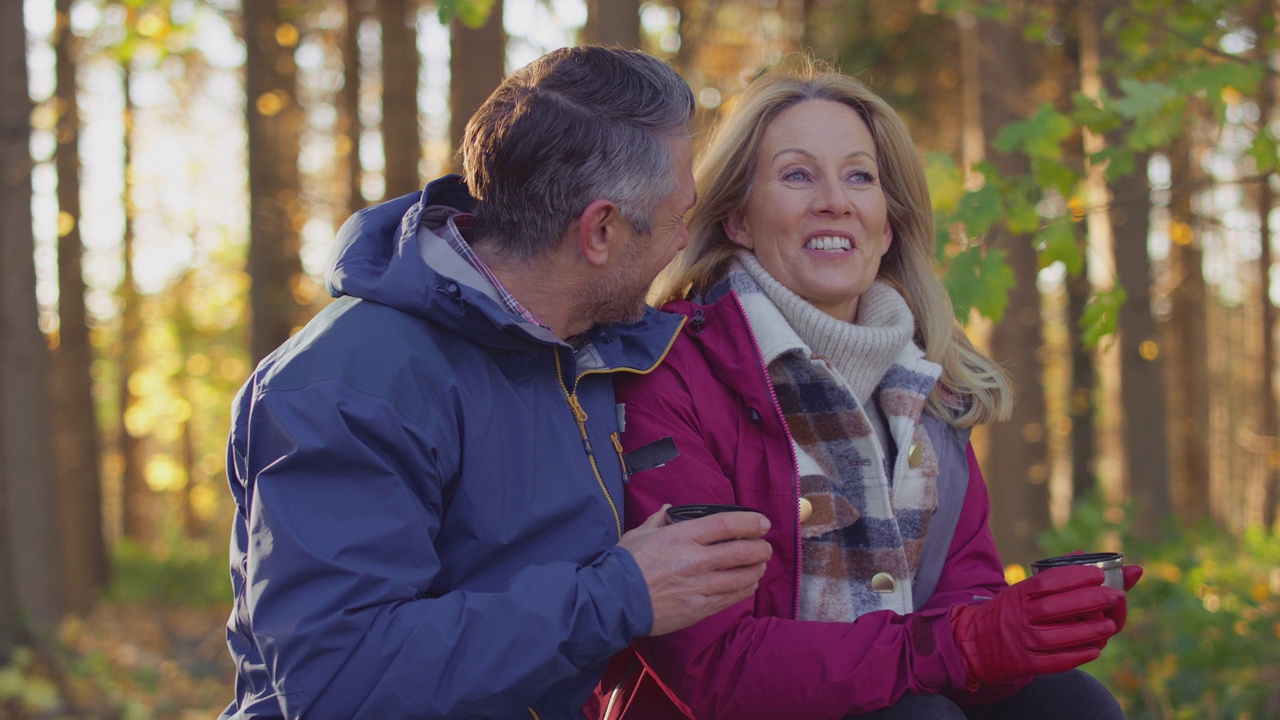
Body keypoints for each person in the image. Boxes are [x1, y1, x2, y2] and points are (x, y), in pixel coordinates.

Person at [220, 46, 775, 720]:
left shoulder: (590, 350)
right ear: (599, 230)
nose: (684, 240)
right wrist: (620, 593)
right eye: (675, 218)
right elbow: (339, 680)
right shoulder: (348, 384)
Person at [590, 58, 1142, 720]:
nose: (835, 200)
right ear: (736, 218)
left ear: (886, 224)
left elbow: (958, 605)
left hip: (891, 695)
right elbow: (712, 665)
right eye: (797, 175)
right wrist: (959, 643)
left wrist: (1025, 630)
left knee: (1071, 705)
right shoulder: (671, 370)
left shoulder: (931, 391)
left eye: (860, 177)